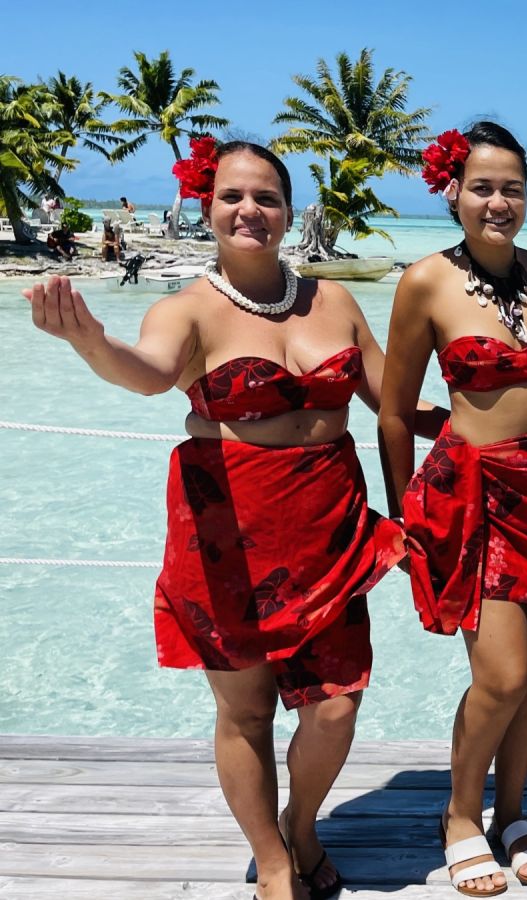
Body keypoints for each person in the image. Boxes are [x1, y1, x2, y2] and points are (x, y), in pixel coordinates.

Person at [23, 140, 430, 900]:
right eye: (232, 197)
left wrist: (492, 419)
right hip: (228, 538)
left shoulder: (334, 302)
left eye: (266, 198)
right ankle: (272, 860)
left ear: (288, 211)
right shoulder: (185, 309)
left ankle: (301, 824)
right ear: (207, 208)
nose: (250, 211)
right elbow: (148, 373)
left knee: (336, 708)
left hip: (330, 529)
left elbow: (391, 399)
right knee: (247, 713)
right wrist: (89, 341)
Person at [377, 122, 527, 898]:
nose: (499, 202)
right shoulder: (425, 282)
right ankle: (461, 814)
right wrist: (402, 515)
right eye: (483, 187)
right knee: (501, 674)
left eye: (513, 189)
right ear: (454, 193)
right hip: (475, 495)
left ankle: (513, 811)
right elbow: (394, 410)